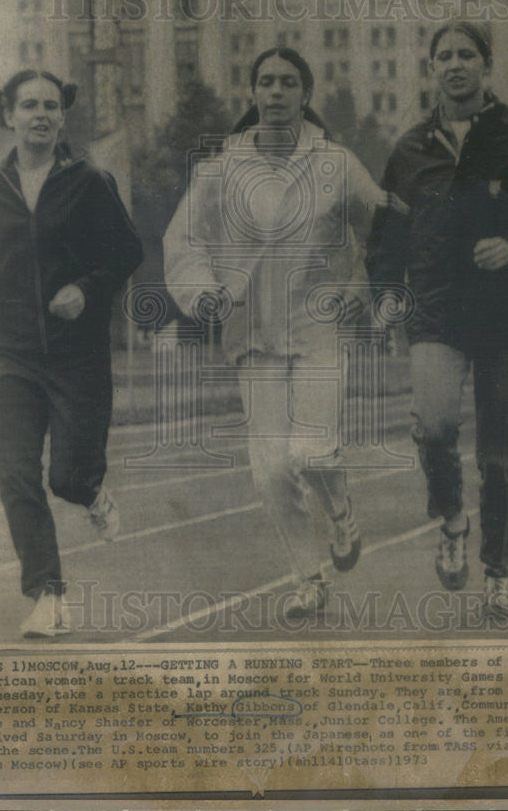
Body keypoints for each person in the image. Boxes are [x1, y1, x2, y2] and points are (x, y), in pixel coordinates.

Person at [366, 21, 508, 624]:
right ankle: (453, 521)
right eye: (444, 56)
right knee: (433, 428)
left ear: (487, 66)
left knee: (500, 456)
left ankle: (497, 574)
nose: (455, 65)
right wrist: (384, 297)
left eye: (467, 55)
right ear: (431, 68)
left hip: (507, 321)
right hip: (436, 314)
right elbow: (387, 239)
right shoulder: (409, 149)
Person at [163, 47, 387, 618]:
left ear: (306, 94)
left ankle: (340, 508)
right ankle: (309, 580)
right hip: (253, 333)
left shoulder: (335, 162)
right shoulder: (220, 170)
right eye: (267, 82)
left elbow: (383, 225)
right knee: (269, 472)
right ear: (253, 94)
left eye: (289, 82)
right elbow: (183, 241)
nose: (277, 92)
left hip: (318, 327)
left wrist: (359, 287)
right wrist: (202, 291)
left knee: (311, 452)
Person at [0, 69, 143, 638]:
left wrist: (87, 291)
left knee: (65, 478)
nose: (40, 114)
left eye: (50, 106)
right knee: (16, 475)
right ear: (9, 116)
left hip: (78, 354)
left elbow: (128, 250)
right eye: (28, 106)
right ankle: (47, 595)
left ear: (62, 117)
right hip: (13, 354)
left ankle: (89, 489)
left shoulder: (88, 180)